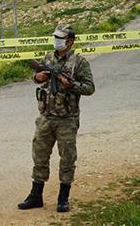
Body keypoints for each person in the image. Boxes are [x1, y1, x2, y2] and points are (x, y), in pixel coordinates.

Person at [18, 24, 94, 213]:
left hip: (66, 119)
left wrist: (71, 85)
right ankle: (36, 195)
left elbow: (89, 88)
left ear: (70, 41)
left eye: (60, 38)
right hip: (46, 117)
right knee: (40, 155)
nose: (57, 41)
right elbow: (37, 78)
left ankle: (63, 198)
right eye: (56, 38)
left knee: (67, 158)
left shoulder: (79, 63)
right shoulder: (48, 58)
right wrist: (38, 77)